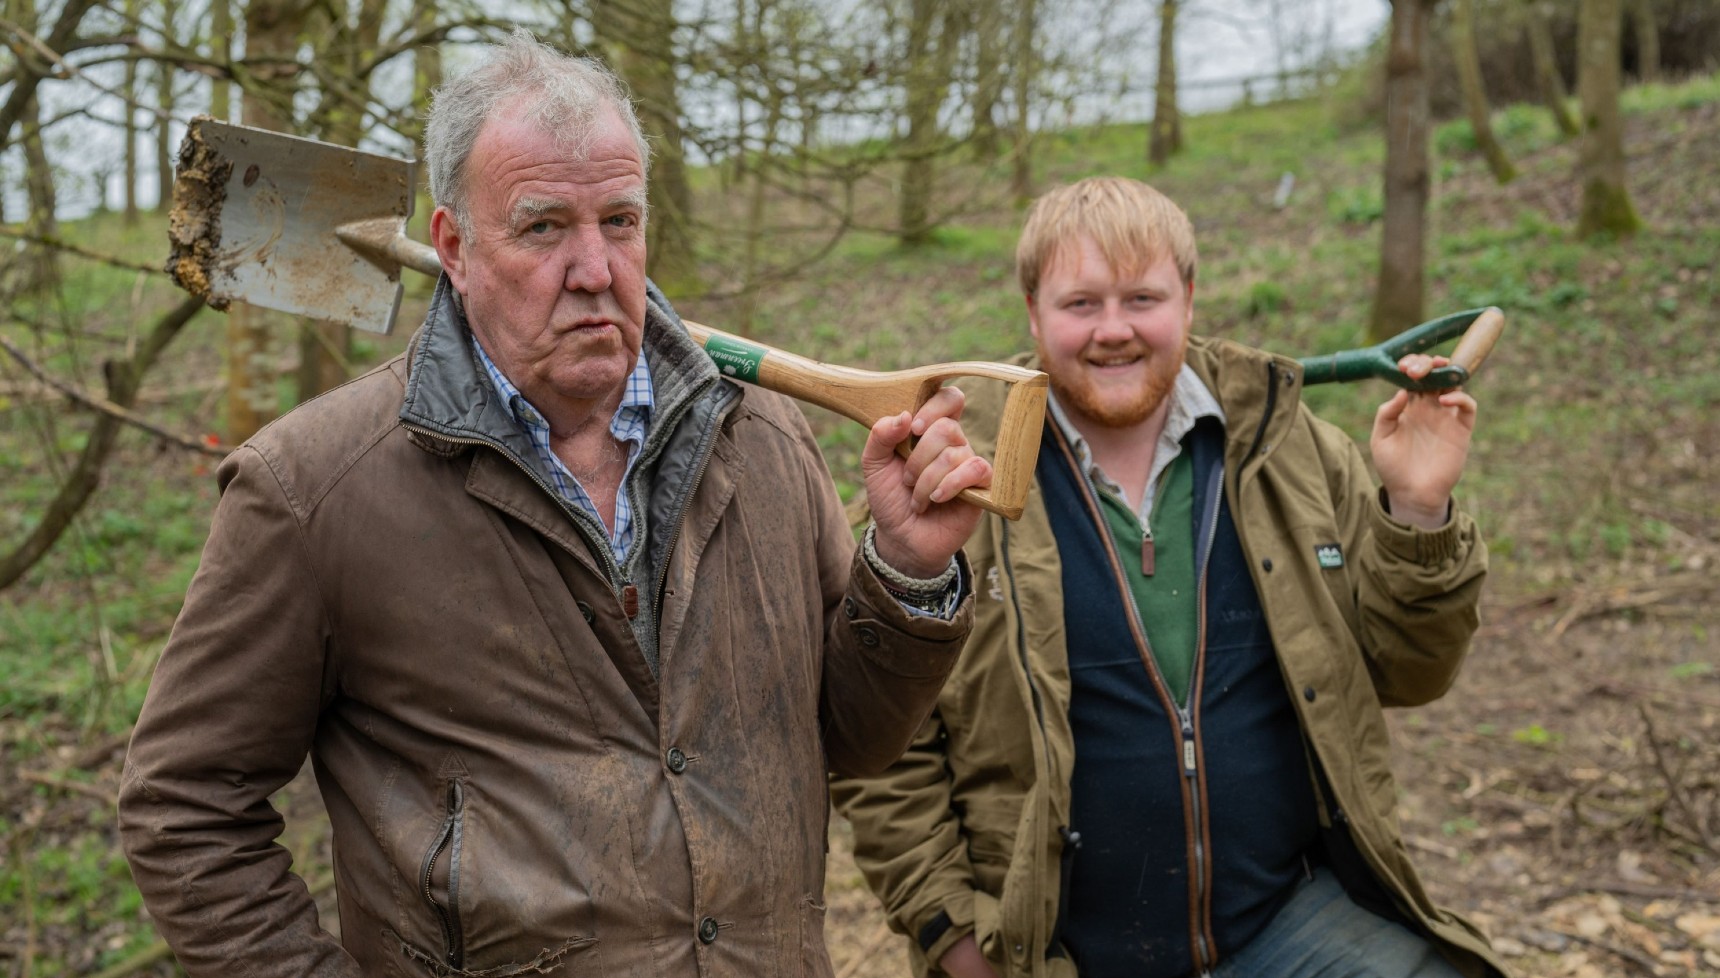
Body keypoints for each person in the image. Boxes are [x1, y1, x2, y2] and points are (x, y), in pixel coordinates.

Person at [118, 32, 992, 978]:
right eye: (542, 227)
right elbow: (184, 808)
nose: (594, 267)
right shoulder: (314, 491)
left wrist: (905, 569)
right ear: (453, 245)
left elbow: (849, 741)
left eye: (619, 221)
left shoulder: (763, 439)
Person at [830, 176, 1509, 978]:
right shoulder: (947, 482)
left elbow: (1411, 673)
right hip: (1055, 951)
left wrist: (1418, 510)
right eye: (1080, 303)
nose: (1112, 331)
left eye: (1141, 298)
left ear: (1188, 298)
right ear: (1032, 313)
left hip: (1289, 925)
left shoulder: (1289, 449)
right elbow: (880, 749)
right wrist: (954, 936)